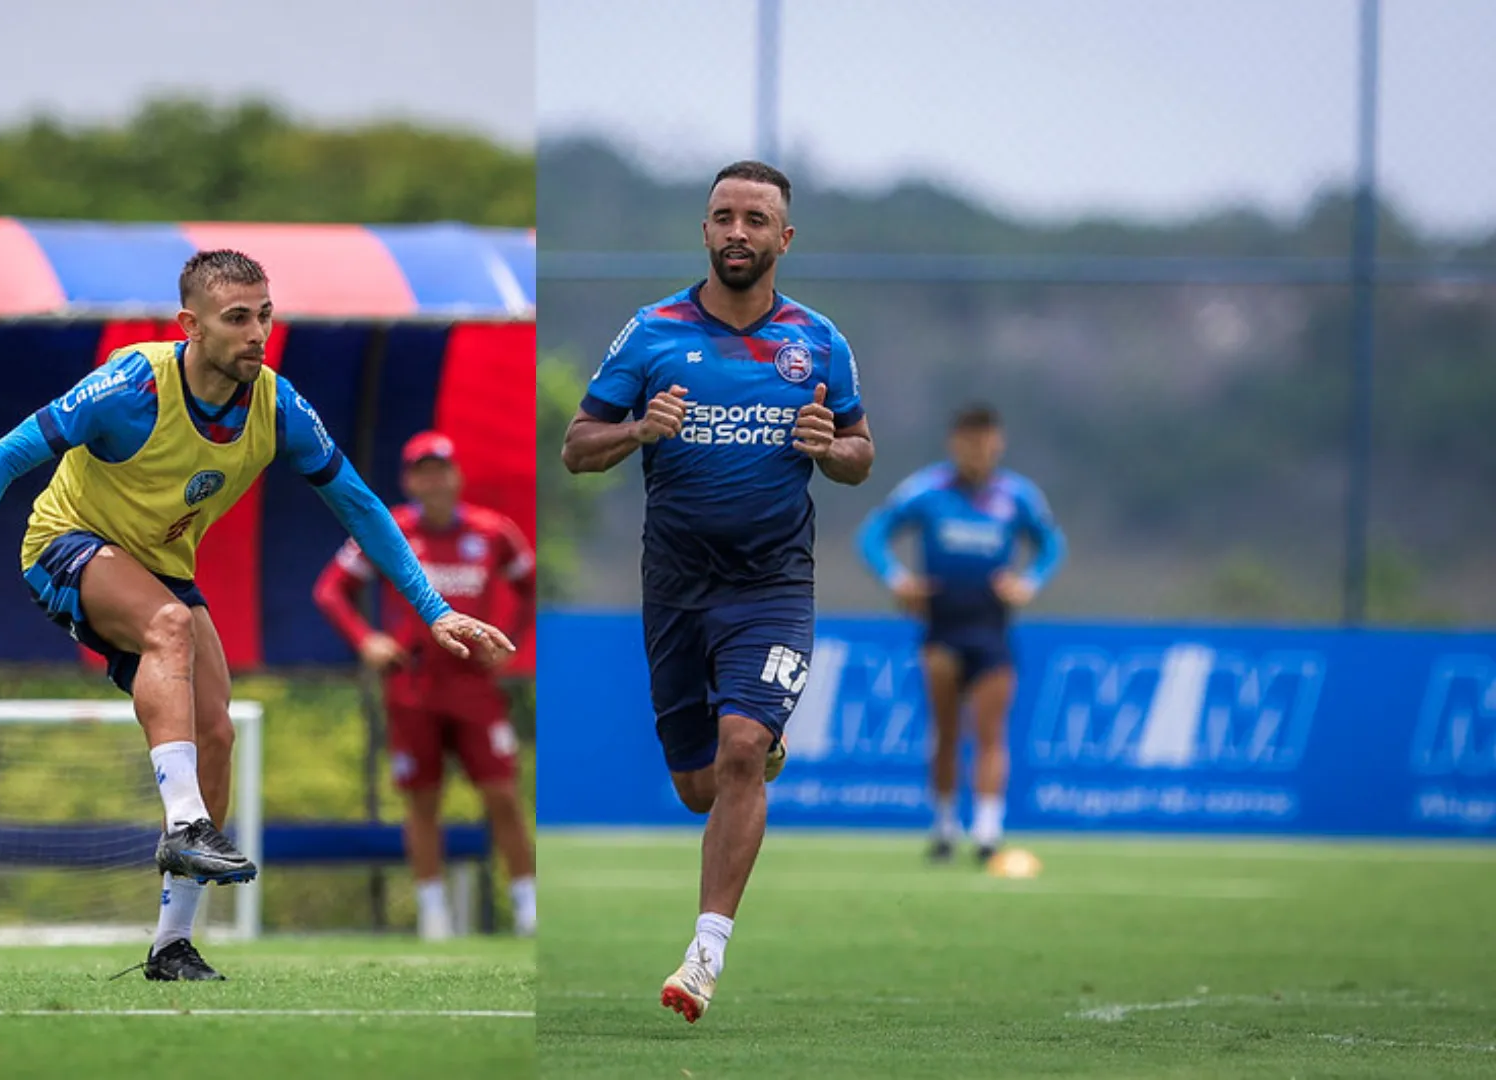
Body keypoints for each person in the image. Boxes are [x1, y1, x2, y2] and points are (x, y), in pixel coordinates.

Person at [0, 250, 513, 982]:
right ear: (190, 326)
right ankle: (187, 824)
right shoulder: (130, 386)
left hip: (161, 571)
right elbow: (7, 455)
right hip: (63, 548)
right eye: (237, 319)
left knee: (217, 732)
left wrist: (435, 609)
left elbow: (359, 504)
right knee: (169, 627)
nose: (257, 333)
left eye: (264, 315)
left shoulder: (278, 406)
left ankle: (171, 945)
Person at [561, 160, 875, 1023]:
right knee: (700, 786)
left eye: (755, 219)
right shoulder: (653, 332)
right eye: (723, 217)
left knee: (741, 749)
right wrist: (637, 429)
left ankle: (703, 956)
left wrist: (827, 445)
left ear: (784, 237)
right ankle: (754, 753)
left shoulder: (818, 342)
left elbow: (859, 454)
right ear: (705, 230)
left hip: (774, 585)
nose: (738, 232)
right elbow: (576, 446)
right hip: (675, 587)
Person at [312, 431, 538, 940]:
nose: (434, 481)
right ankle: (434, 915)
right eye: (423, 471)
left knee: (502, 792)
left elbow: (529, 583)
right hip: (412, 684)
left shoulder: (492, 532)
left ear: (456, 476)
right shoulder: (389, 530)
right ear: (409, 480)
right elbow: (331, 590)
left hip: (473, 684)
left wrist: (512, 644)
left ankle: (527, 907)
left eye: (442, 470)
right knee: (421, 799)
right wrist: (366, 639)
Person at [857, 404, 1065, 866]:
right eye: (970, 443)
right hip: (943, 625)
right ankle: (946, 827)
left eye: (987, 443)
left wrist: (1027, 583)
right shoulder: (927, 490)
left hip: (991, 625)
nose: (978, 452)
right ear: (955, 444)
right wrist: (898, 580)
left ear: (999, 444)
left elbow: (1052, 544)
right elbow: (873, 535)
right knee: (947, 731)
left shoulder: (1017, 496)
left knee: (991, 731)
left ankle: (988, 832)